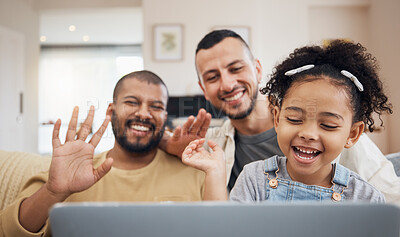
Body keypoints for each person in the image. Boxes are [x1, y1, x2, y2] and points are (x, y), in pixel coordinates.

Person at [162, 29, 400, 204]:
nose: (227, 83)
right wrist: (168, 144)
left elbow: (389, 199)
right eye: (212, 77)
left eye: (236, 69)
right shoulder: (214, 144)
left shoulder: (337, 127)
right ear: (203, 88)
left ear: (256, 69)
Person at [0, 70, 210, 237]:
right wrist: (54, 193)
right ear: (111, 111)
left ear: (165, 117)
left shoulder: (195, 173)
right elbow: (8, 233)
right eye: (131, 102)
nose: (143, 114)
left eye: (155, 107)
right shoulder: (70, 169)